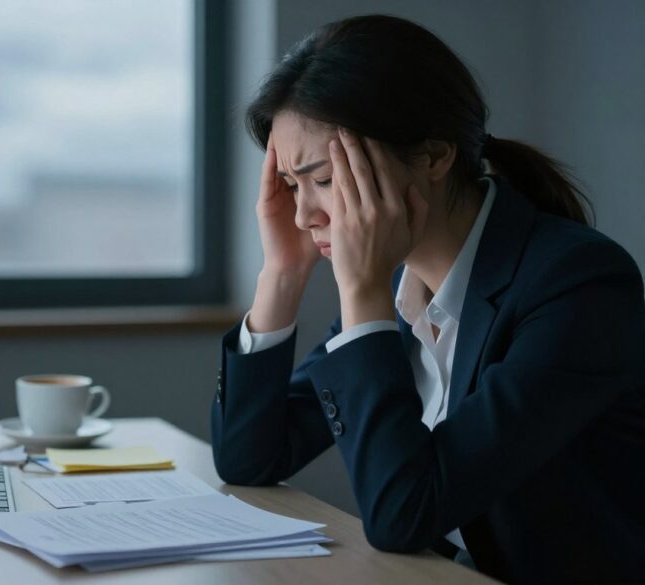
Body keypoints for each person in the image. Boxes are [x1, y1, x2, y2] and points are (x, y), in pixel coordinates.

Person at [210, 14, 645, 584]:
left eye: (323, 179)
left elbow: (403, 514)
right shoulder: (401, 286)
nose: (303, 214)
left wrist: (360, 293)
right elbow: (250, 458)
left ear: (435, 156)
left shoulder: (578, 284)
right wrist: (282, 274)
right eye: (292, 186)